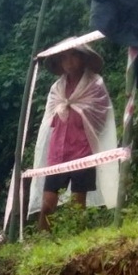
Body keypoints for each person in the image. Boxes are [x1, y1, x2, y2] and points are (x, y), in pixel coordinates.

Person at [28, 43, 119, 232]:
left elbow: (101, 117)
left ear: (83, 58)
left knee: (78, 204)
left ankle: (75, 241)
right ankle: (43, 244)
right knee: (47, 206)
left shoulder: (95, 84)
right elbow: (50, 120)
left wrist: (81, 117)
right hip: (57, 154)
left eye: (73, 56)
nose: (68, 62)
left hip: (83, 152)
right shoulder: (57, 88)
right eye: (64, 57)